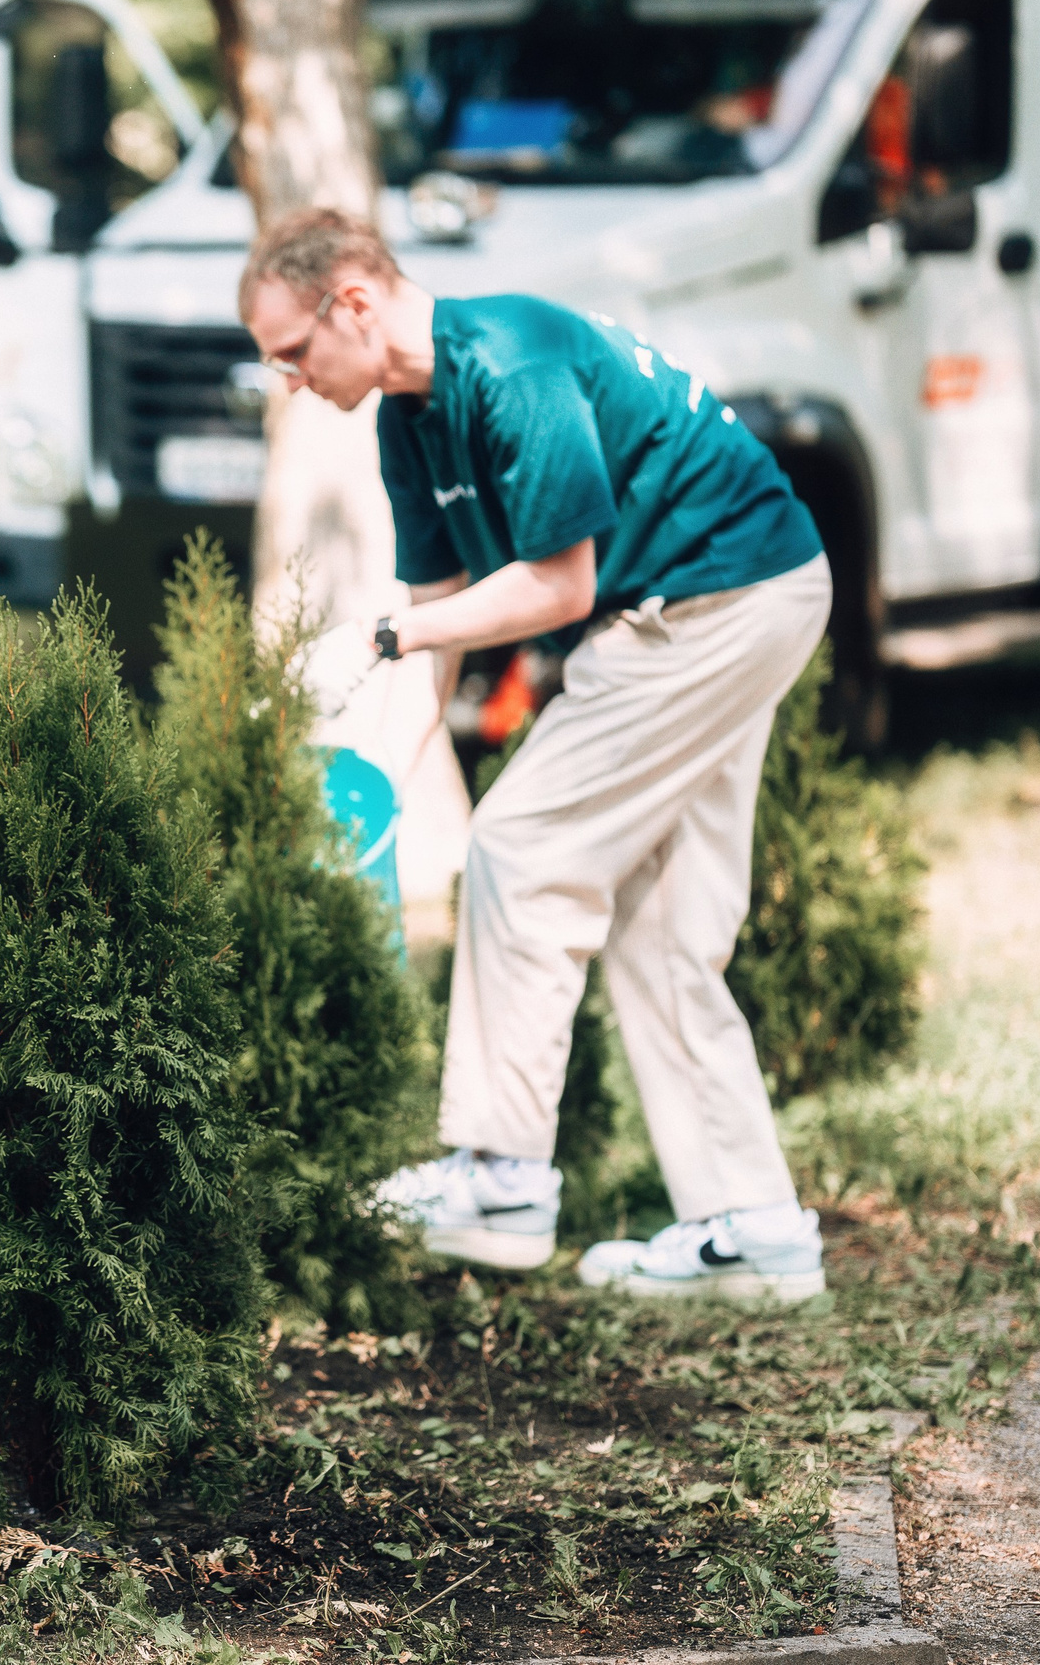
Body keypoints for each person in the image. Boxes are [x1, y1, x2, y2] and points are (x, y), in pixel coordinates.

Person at [238, 207, 833, 1303]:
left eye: (291, 352)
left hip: (718, 595)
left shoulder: (512, 361)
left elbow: (555, 587)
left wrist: (383, 634)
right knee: (662, 926)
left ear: (354, 303)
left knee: (521, 845)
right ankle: (754, 1229)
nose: (287, 379)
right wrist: (375, 790)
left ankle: (500, 1175)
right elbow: (441, 621)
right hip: (717, 597)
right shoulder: (406, 423)